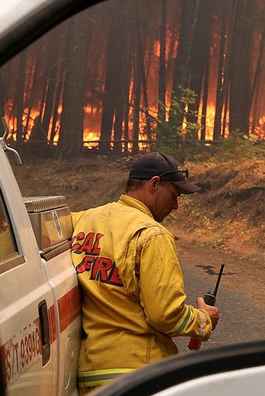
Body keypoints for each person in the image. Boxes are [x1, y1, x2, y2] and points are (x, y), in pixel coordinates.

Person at [70, 151, 219, 393]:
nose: (176, 206)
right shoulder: (152, 234)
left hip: (92, 374)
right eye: (174, 195)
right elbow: (166, 315)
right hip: (140, 374)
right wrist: (204, 320)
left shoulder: (85, 220)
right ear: (154, 184)